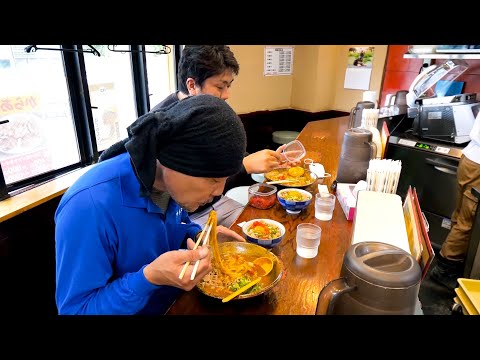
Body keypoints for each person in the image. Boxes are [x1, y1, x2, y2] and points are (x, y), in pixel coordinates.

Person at [55, 95, 247, 315]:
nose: (219, 192)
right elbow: (76, 310)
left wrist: (201, 237)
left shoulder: (169, 184)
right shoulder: (88, 207)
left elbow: (174, 228)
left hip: (176, 304)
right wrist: (148, 278)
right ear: (174, 161)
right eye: (213, 179)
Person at [99, 45, 298, 228]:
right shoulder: (164, 127)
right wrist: (245, 165)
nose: (227, 94)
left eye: (229, 85)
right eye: (220, 87)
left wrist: (265, 159)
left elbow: (219, 167)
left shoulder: (211, 114)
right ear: (192, 85)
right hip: (187, 215)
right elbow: (185, 187)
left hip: (206, 209)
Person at [430, 111, 480, 291]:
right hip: (478, 165)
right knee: (467, 223)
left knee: (460, 216)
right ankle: (444, 269)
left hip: (470, 159)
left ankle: (451, 261)